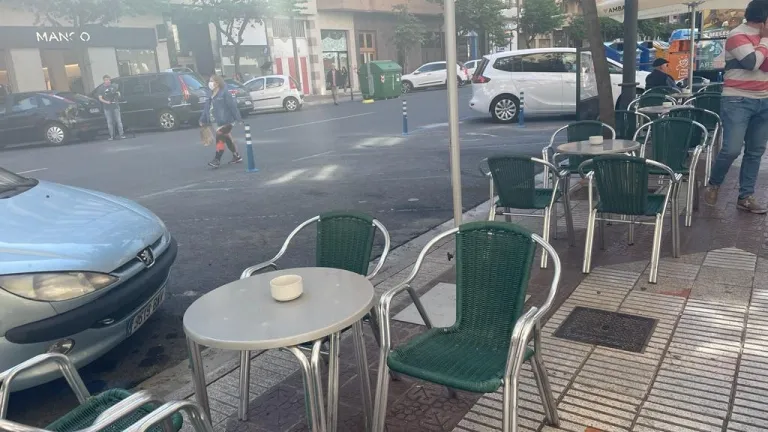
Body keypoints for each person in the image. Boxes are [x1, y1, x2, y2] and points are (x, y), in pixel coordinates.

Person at [705, 0, 768, 213]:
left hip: (764, 99)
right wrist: (765, 41)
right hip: (737, 100)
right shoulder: (737, 34)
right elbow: (752, 63)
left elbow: (763, 64)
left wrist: (761, 52)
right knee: (732, 149)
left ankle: (745, 196)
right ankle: (714, 183)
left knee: (755, 151)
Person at [200, 74, 243, 168]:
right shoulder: (210, 94)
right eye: (210, 81)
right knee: (227, 139)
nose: (210, 83)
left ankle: (217, 159)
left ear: (217, 83)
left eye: (212, 81)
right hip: (216, 121)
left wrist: (238, 119)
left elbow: (232, 106)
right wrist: (202, 119)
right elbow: (206, 108)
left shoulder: (224, 93)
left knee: (220, 136)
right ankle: (236, 156)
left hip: (227, 121)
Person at [98, 75, 125, 140]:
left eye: (108, 80)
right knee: (109, 122)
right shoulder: (101, 88)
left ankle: (121, 135)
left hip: (115, 106)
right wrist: (106, 102)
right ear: (104, 81)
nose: (108, 81)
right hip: (107, 108)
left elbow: (118, 94)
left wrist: (118, 95)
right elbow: (100, 98)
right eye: (106, 80)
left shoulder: (114, 86)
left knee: (118, 121)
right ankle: (112, 136)